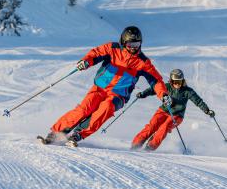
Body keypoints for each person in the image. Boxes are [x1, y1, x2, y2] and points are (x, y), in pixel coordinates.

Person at [41, 26, 170, 146]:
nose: (133, 48)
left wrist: (163, 94)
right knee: (84, 109)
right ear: (123, 42)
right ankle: (56, 133)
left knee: (105, 108)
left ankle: (78, 135)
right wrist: (86, 61)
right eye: (130, 44)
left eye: (137, 44)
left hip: (119, 95)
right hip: (100, 88)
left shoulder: (143, 62)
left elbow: (156, 81)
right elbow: (95, 54)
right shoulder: (112, 48)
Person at [131, 69, 215, 151]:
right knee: (152, 126)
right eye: (175, 82)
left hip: (177, 115)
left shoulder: (188, 91)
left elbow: (198, 101)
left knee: (164, 128)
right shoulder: (166, 86)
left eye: (180, 82)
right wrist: (143, 94)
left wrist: (207, 110)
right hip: (163, 111)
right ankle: (136, 144)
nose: (177, 84)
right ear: (171, 81)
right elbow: (154, 89)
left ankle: (150, 147)